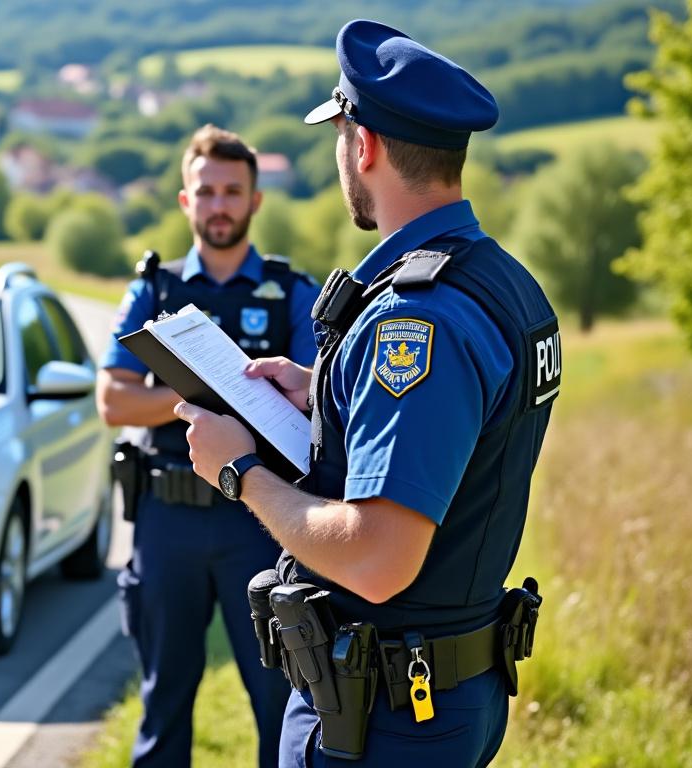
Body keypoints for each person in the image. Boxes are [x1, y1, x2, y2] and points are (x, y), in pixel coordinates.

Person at [175, 20, 559, 766]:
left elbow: (378, 560)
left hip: (382, 715)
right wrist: (325, 391)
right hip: (441, 691)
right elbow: (466, 427)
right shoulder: (501, 281)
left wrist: (239, 472)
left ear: (366, 146)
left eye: (339, 134)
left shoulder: (413, 321)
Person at [97, 124, 320, 768]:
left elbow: (313, 407)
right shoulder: (154, 290)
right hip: (167, 517)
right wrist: (212, 394)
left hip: (260, 518)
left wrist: (178, 396)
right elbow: (113, 402)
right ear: (184, 201)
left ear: (255, 200)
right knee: (163, 699)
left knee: (280, 701)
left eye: (232, 191)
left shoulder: (291, 291)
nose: (218, 205)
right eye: (206, 192)